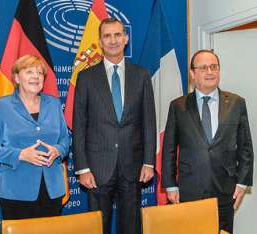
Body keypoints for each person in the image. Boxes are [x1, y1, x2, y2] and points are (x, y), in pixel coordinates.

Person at [72, 18, 156, 234]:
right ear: (100, 41)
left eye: (117, 35)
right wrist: (82, 168)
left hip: (133, 166)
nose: (113, 40)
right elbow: (79, 126)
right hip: (97, 168)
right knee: (97, 228)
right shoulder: (86, 77)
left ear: (126, 39)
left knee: (131, 227)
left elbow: (148, 121)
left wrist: (148, 161)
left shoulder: (142, 75)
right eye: (107, 36)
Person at [162, 49, 254, 233]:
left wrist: (243, 182)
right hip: (189, 191)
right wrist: (170, 184)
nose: (210, 72)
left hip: (225, 190)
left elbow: (245, 147)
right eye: (203, 68)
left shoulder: (237, 103)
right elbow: (169, 149)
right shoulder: (178, 106)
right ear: (192, 73)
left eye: (214, 67)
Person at [0, 55, 70, 219]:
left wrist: (58, 150)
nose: (36, 76)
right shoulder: (3, 105)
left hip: (52, 190)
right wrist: (20, 154)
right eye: (29, 72)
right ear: (17, 78)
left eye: (39, 73)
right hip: (16, 191)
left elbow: (65, 140)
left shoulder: (54, 104)